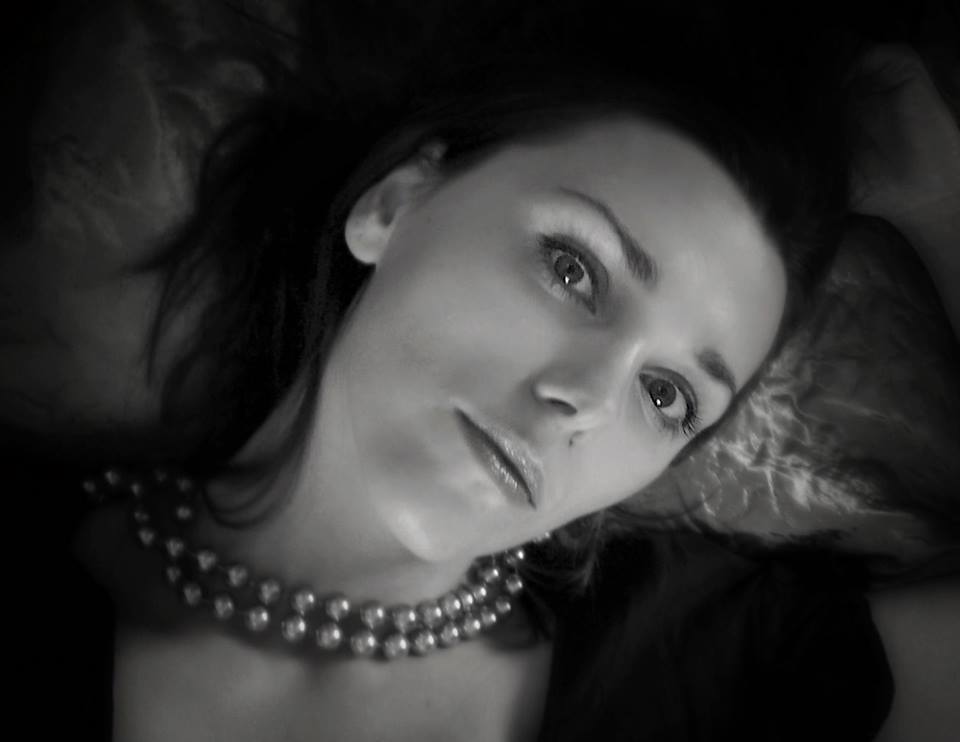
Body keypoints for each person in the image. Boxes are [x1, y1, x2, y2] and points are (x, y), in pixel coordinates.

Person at [3, 3, 955, 740]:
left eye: (666, 397)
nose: (585, 400)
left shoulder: (722, 658)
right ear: (394, 201)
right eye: (574, 269)